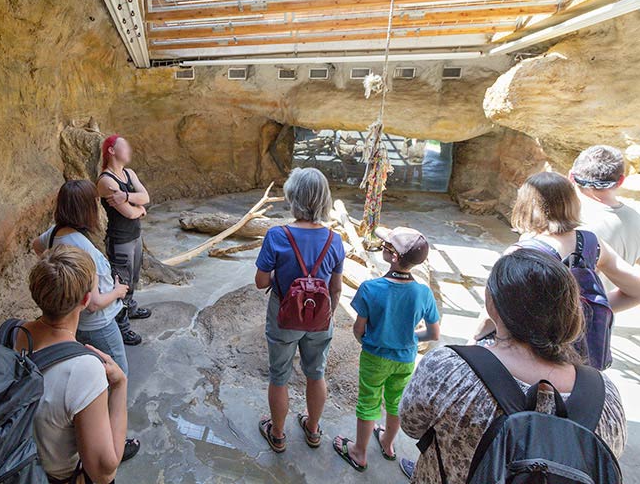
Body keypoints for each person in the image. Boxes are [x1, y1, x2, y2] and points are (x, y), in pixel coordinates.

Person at [399, 249, 627, 482]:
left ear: (492, 305)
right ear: (571, 313)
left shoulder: (450, 370)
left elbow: (411, 425)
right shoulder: (605, 397)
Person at [473, 172, 640, 367]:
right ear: (573, 203)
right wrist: (580, 309)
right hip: (576, 361)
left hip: (533, 356)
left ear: (524, 206)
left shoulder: (521, 252)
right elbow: (636, 290)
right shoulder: (591, 243)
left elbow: (491, 313)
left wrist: (473, 341)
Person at [0, 245, 129, 483]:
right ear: (86, 299)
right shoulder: (83, 370)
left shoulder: (5, 333)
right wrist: (120, 386)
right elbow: (103, 471)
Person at [254, 167, 346, 453]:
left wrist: (282, 278)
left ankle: (278, 434)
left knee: (278, 375)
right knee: (316, 373)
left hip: (284, 314)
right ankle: (313, 429)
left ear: (292, 197)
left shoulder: (277, 235)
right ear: (324, 200)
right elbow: (336, 289)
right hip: (320, 318)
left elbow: (260, 282)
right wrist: (325, 314)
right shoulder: (335, 240)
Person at [334, 227, 440, 472]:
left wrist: (370, 341)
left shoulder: (371, 288)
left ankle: (359, 452)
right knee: (396, 403)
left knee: (369, 401)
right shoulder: (423, 292)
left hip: (374, 356)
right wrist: (410, 338)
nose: (382, 246)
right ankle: (388, 444)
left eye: (387, 246)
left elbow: (358, 329)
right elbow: (433, 334)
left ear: (393, 257)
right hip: (405, 359)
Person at [32, 180, 130, 374]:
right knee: (117, 374)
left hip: (74, 321)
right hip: (98, 326)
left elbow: (37, 245)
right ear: (86, 209)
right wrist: (118, 292)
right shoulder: (83, 249)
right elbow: (93, 304)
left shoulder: (55, 233)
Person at [97, 135, 151, 346]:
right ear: (111, 150)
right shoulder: (106, 181)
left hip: (135, 237)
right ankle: (122, 327)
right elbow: (129, 214)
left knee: (133, 276)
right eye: (124, 147)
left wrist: (127, 197)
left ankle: (130, 308)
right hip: (120, 239)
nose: (128, 150)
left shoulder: (129, 173)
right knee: (121, 281)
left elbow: (145, 197)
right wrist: (139, 209)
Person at [570, 145, 640, 289]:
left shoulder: (569, 222)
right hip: (609, 307)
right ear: (621, 181)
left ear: (571, 176)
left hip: (571, 308)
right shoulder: (635, 219)